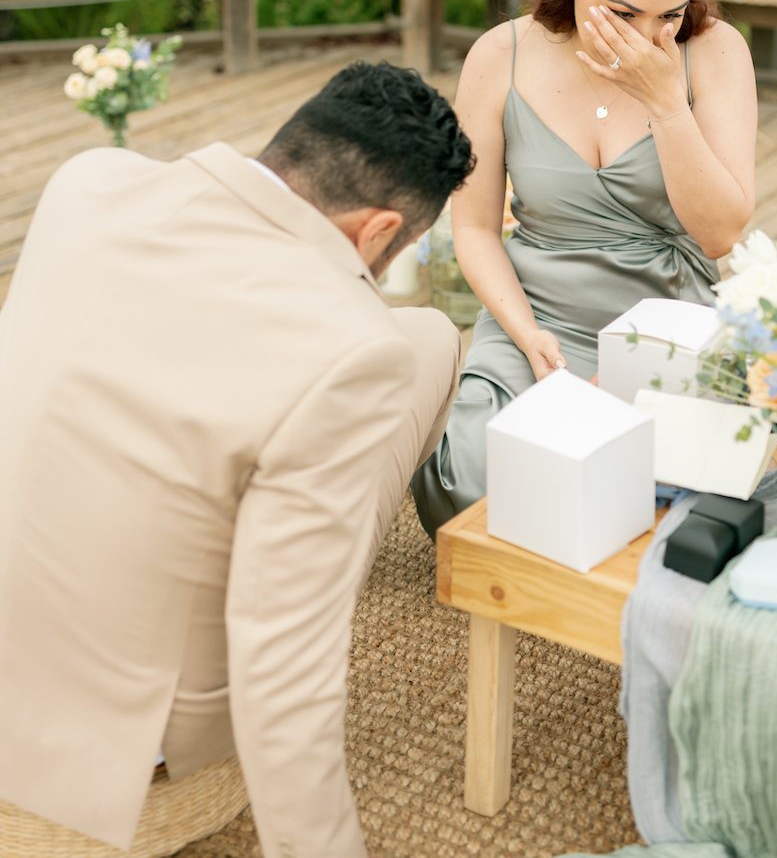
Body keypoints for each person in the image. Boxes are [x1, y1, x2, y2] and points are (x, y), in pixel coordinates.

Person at [0, 61, 473, 858]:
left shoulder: (89, 181)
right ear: (381, 231)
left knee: (417, 340)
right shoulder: (348, 351)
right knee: (422, 342)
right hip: (124, 717)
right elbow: (282, 665)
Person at [412, 0, 757, 538]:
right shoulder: (500, 55)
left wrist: (664, 104)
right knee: (474, 484)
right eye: (623, 13)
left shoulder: (715, 51)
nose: (648, 38)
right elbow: (475, 227)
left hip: (669, 317)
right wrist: (527, 336)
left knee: (677, 484)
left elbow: (720, 232)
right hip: (539, 316)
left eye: (669, 16)